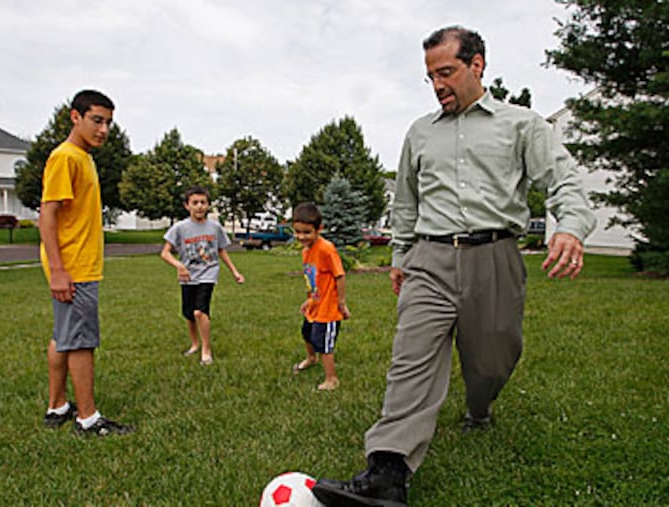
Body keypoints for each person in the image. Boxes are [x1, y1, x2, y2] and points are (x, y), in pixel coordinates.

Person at [313, 26, 597, 506]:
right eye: (431, 76)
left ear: (477, 65)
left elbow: (564, 179)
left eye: (446, 72)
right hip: (431, 258)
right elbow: (405, 203)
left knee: (492, 359)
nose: (438, 84)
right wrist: (401, 257)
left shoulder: (522, 125)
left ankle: (480, 406)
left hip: (496, 257)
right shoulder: (420, 133)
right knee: (411, 357)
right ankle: (387, 471)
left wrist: (569, 227)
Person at [40, 89, 134, 436]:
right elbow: (46, 216)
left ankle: (57, 406)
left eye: (109, 122)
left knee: (62, 336)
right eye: (97, 120)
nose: (104, 129)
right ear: (75, 117)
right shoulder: (66, 157)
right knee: (80, 341)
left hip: (76, 265)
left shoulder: (83, 157)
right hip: (74, 267)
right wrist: (60, 271)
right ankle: (88, 419)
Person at [160, 186, 245, 365]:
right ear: (187, 206)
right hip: (188, 276)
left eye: (203, 202)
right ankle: (195, 344)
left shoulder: (214, 227)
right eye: (195, 203)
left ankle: (206, 350)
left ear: (208, 205)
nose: (199, 206)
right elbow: (165, 253)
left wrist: (235, 272)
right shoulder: (180, 228)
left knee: (200, 311)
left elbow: (221, 251)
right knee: (189, 313)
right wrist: (179, 265)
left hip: (209, 273)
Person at [291, 202, 351, 391]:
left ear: (319, 229)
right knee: (307, 333)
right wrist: (309, 300)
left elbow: (339, 275)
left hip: (328, 308)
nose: (301, 237)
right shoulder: (306, 251)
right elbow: (314, 280)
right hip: (315, 304)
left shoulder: (326, 249)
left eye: (306, 232)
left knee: (323, 343)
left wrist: (341, 303)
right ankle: (311, 358)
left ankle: (331, 379)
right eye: (298, 232)